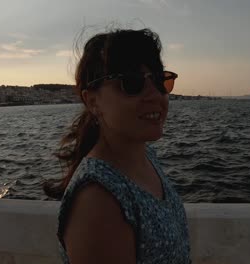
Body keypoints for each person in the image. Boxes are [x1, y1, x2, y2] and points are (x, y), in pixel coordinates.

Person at [43, 28, 191, 264]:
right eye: (132, 83)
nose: (155, 95)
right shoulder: (98, 202)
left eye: (159, 80)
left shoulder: (146, 157)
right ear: (93, 101)